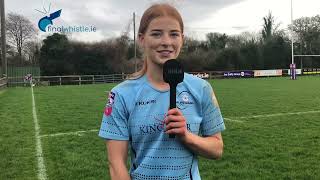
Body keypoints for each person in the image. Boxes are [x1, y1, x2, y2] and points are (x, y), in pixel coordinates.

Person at [99, 3, 225, 180]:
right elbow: (116, 163)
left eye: (174, 34)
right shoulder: (120, 95)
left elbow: (217, 149)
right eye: (156, 34)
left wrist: (187, 136)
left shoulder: (201, 88)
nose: (166, 42)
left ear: (182, 39)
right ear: (142, 39)